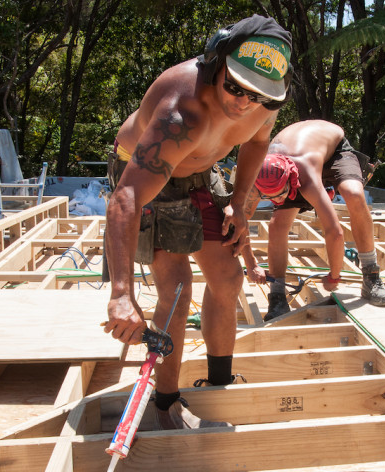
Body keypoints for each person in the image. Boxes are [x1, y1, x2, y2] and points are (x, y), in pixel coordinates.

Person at [102, 15, 293, 429]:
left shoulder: (264, 102)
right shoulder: (180, 114)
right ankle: (166, 401)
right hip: (150, 175)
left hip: (202, 171)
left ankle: (219, 384)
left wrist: (240, 204)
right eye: (235, 86)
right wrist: (121, 292)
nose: (244, 102)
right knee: (178, 287)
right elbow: (127, 197)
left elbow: (258, 142)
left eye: (257, 94)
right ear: (216, 59)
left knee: (227, 278)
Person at [243, 120, 385, 321]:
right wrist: (251, 263)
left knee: (354, 194)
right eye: (270, 197)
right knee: (277, 224)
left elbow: (334, 230)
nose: (277, 201)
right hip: (298, 153)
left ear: (291, 180)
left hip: (334, 149)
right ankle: (277, 295)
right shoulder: (259, 175)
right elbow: (239, 222)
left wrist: (334, 275)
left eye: (281, 194)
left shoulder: (306, 176)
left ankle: (371, 277)